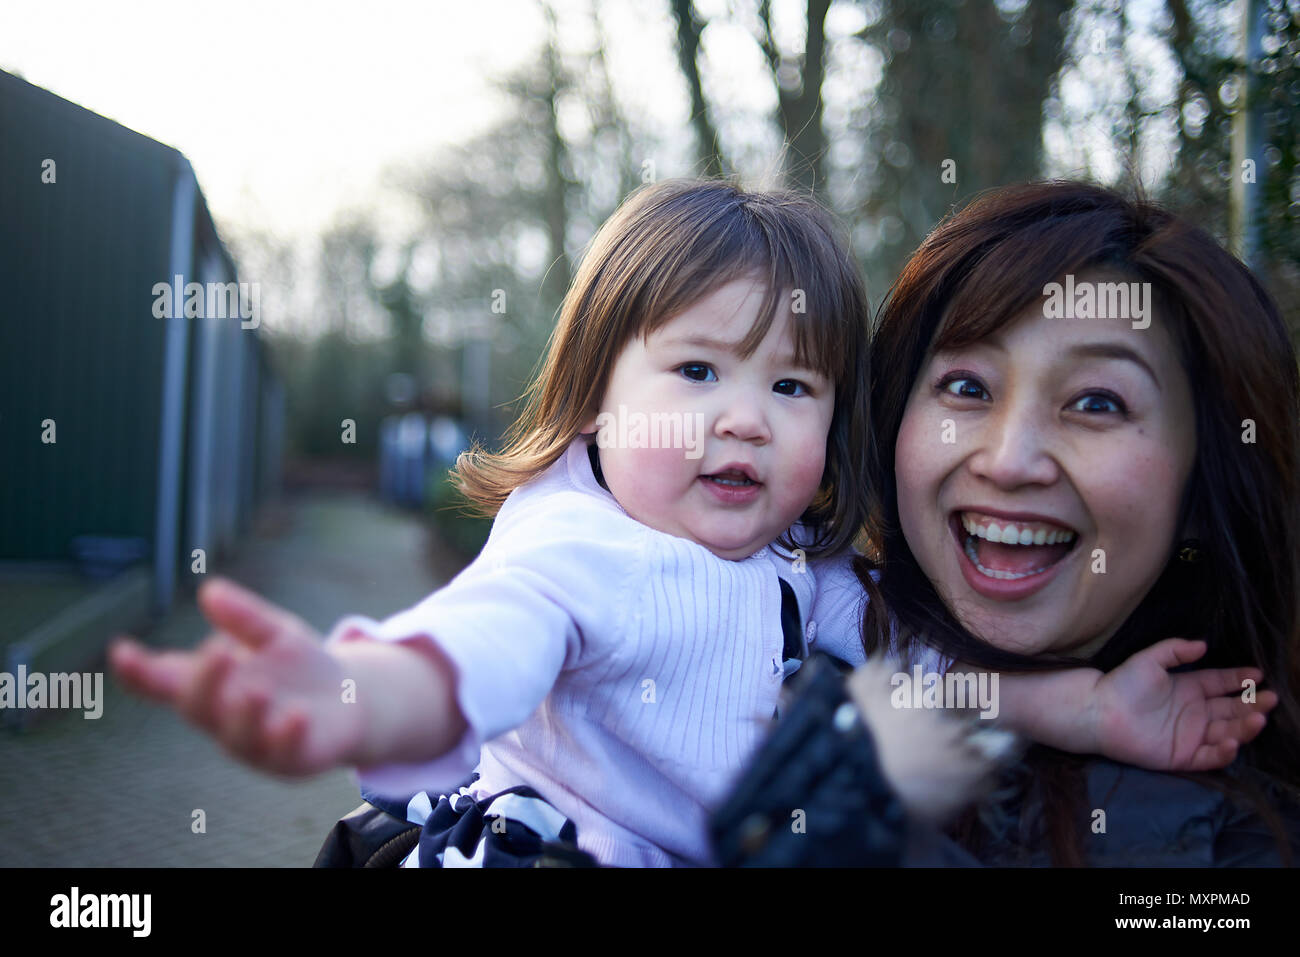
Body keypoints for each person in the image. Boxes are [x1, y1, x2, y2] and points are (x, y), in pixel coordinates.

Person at [110, 178, 1270, 869]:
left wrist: (1090, 708)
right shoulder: (583, 551)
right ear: (595, 398)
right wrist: (360, 691)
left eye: (791, 387)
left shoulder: (804, 577)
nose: (745, 423)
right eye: (698, 372)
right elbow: (483, 645)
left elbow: (910, 687)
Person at [714, 180, 1300, 867]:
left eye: (1097, 402)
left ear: (1208, 479)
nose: (1009, 460)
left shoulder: (1250, 842)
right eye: (967, 387)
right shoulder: (766, 639)